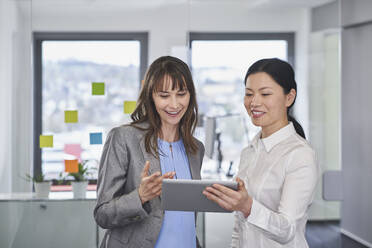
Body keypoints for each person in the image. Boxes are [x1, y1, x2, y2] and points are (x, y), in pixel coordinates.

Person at [203, 58, 319, 248]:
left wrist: (247, 206)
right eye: (249, 94)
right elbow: (239, 226)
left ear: (289, 97)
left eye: (265, 94)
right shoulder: (249, 151)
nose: (254, 102)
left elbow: (288, 230)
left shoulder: (300, 154)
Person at [94, 56, 205, 248]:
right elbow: (103, 214)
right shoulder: (123, 138)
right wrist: (140, 196)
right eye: (164, 95)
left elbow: (186, 219)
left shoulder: (195, 149)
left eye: (181, 94)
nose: (174, 104)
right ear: (151, 97)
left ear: (191, 95)